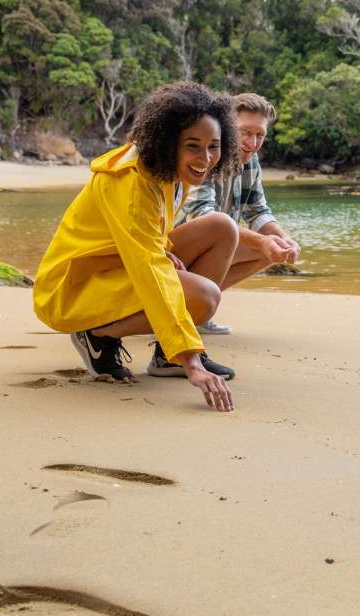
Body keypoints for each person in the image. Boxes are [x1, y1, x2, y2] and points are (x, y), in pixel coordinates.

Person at [33, 82, 239, 411]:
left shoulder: (169, 171)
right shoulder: (131, 181)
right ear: (168, 141)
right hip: (70, 289)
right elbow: (149, 269)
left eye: (214, 146)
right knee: (204, 298)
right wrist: (191, 360)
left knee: (222, 228)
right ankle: (98, 336)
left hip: (110, 266)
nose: (206, 158)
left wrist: (163, 251)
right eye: (193, 146)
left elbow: (144, 241)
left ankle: (164, 357)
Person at [174, 93, 300, 335]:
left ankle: (197, 312)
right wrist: (263, 241)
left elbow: (258, 210)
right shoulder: (205, 157)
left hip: (211, 247)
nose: (252, 143)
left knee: (274, 249)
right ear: (226, 127)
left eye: (260, 134)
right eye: (245, 132)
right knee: (227, 228)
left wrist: (283, 240)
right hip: (173, 251)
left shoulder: (251, 163)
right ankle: (188, 308)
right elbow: (203, 217)